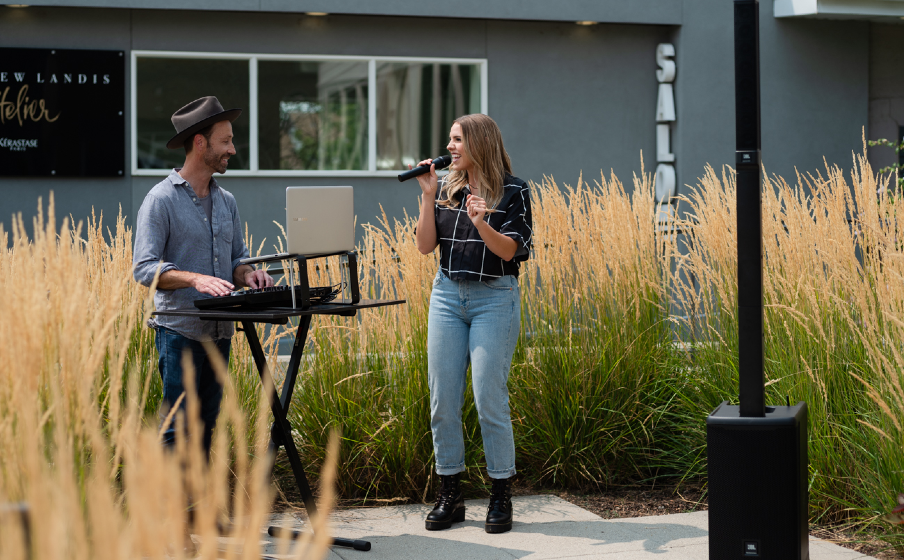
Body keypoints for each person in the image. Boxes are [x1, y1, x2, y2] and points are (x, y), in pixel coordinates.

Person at [133, 96, 273, 455]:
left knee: (207, 423)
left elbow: (237, 259)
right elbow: (144, 268)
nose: (233, 149)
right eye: (225, 141)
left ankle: (199, 509)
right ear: (200, 142)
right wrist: (195, 279)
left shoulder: (227, 201)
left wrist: (248, 274)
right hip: (179, 330)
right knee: (177, 429)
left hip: (219, 330)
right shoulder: (160, 200)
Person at [414, 113, 533, 534]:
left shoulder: (515, 191)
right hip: (447, 296)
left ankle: (500, 494)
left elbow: (510, 253)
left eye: (457, 139)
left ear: (479, 142)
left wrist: (481, 221)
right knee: (442, 399)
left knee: (488, 397)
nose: (449, 147)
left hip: (493, 298)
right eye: (449, 139)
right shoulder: (447, 187)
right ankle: (451, 494)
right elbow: (426, 247)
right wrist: (428, 196)